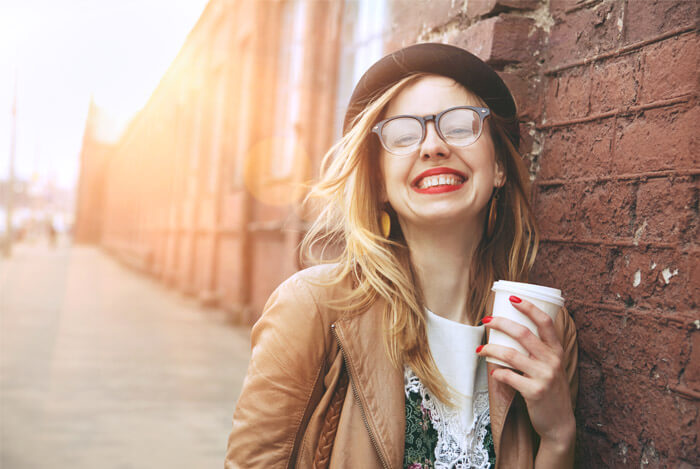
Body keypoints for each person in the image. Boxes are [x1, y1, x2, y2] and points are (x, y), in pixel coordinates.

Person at [225, 43, 578, 469]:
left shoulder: (543, 330)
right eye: (404, 135)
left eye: (461, 126)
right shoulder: (312, 308)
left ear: (499, 166)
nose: (432, 146)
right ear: (378, 183)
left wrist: (558, 437)